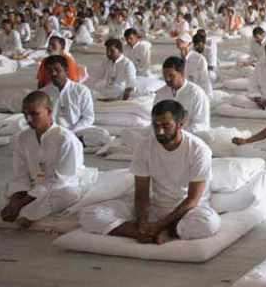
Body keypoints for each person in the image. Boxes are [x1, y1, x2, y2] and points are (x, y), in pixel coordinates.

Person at [80, 100, 220, 244]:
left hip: (187, 212)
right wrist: (142, 223)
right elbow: (141, 193)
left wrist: (161, 224)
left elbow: (192, 200)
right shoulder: (144, 146)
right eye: (156, 125)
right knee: (90, 214)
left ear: (180, 124)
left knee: (208, 224)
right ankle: (142, 233)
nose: (160, 131)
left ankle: (170, 231)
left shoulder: (198, 150)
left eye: (166, 126)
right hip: (156, 206)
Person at [0, 92, 86, 229]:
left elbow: (60, 181)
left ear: (49, 112)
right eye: (25, 115)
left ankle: (26, 213)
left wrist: (21, 203)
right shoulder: (22, 138)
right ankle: (23, 211)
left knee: (69, 195)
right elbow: (20, 176)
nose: (29, 119)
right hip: (29, 188)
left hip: (58, 188)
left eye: (34, 114)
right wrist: (15, 200)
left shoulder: (65, 139)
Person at [41, 55, 95, 135]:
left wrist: (71, 132)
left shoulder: (81, 90)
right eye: (50, 71)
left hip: (77, 132)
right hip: (52, 133)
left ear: (66, 70)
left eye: (57, 70)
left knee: (101, 135)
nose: (53, 73)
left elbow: (88, 117)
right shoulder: (43, 93)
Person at [154, 56, 210, 132]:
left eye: (171, 75)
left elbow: (201, 124)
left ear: (182, 74)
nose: (167, 79)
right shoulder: (161, 94)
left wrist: (179, 133)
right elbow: (156, 119)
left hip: (190, 136)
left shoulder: (196, 94)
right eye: (165, 76)